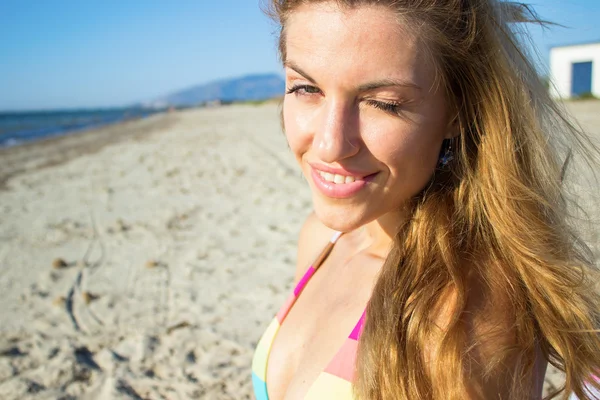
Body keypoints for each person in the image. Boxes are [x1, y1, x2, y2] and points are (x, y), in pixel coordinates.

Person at [252, 0, 600, 399]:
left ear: (457, 110)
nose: (331, 145)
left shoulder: (462, 316)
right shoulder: (321, 239)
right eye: (306, 88)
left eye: (383, 103)